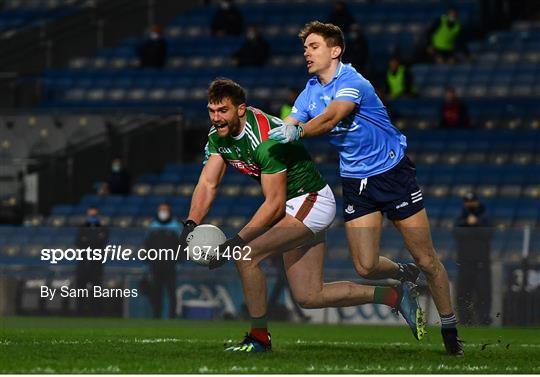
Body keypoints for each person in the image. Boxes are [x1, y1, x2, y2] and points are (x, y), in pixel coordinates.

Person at [179, 78, 425, 353]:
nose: (216, 118)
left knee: (247, 257)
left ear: (240, 109)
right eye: (211, 111)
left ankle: (259, 338)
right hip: (295, 206)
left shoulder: (265, 139)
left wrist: (235, 243)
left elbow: (274, 204)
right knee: (310, 295)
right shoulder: (218, 137)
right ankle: (394, 295)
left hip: (311, 200)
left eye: (222, 111)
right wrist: (191, 223)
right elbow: (208, 183)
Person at [268, 21, 463, 356]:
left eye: (313, 46)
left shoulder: (353, 82)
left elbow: (330, 118)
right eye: (305, 48)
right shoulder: (308, 91)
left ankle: (449, 331)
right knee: (365, 266)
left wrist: (298, 134)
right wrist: (268, 135)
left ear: (335, 50)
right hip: (356, 183)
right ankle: (405, 274)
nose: (307, 53)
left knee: (428, 258)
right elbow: (289, 123)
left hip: (393, 175)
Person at [453, 192, 492, 325]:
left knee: (483, 292)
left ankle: (484, 320)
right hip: (465, 262)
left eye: (472, 201)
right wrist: (470, 225)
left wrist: (475, 224)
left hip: (481, 262)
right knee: (463, 293)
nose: (469, 204)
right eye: (467, 202)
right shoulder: (461, 217)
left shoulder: (485, 216)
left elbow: (488, 233)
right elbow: (457, 233)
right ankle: (465, 320)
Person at [144, 202, 182, 318]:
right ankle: (156, 315)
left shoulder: (176, 227)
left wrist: (178, 261)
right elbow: (147, 245)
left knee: (171, 292)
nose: (163, 212)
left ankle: (172, 316)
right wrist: (147, 261)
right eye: (161, 210)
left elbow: (181, 245)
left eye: (165, 210)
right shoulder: (152, 226)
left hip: (170, 265)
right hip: (155, 265)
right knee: (156, 292)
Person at [74, 206, 109, 316]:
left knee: (96, 288)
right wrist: (92, 242)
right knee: (81, 288)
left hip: (97, 263)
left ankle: (96, 312)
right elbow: (79, 243)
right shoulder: (82, 228)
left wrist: (88, 241)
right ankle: (80, 311)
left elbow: (101, 242)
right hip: (84, 262)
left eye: (94, 214)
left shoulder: (103, 228)